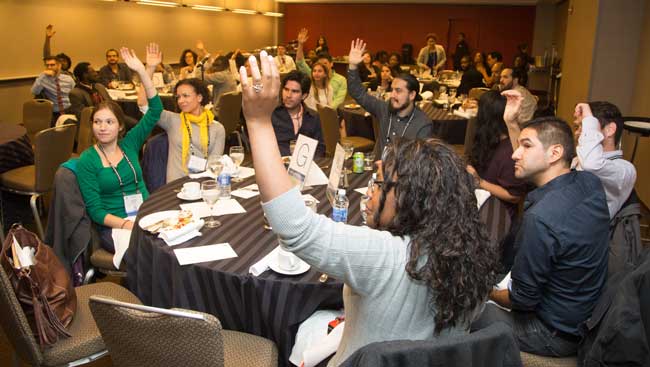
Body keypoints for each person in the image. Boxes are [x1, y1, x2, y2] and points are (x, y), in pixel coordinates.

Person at [238, 50, 498, 366]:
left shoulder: (386, 256)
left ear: (409, 199)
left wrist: (257, 120)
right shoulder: (469, 254)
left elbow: (294, 226)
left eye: (380, 183)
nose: (370, 192)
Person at [472, 90, 610, 358]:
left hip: (553, 332)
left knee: (468, 305)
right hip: (584, 313)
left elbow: (521, 300)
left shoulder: (543, 218)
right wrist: (513, 123)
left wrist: (485, 290)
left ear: (555, 153)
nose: (514, 154)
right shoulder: (589, 183)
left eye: (526, 146)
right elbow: (529, 171)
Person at [77, 44, 163, 253]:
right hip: (115, 226)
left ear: (120, 125)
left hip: (147, 216)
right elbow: (96, 212)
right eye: (97, 122)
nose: (103, 127)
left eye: (109, 122)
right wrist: (128, 225)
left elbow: (155, 110)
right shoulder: (88, 160)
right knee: (155, 253)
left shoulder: (129, 144)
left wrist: (144, 71)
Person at [348, 39, 433, 158]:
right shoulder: (384, 108)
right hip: (377, 169)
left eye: (398, 91)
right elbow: (358, 92)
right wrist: (352, 66)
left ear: (412, 95)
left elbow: (420, 163)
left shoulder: (422, 124)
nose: (392, 95)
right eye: (392, 90)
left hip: (403, 174)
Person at [466, 90, 525, 218]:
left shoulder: (510, 150)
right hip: (481, 202)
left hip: (498, 216)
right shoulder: (488, 139)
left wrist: (479, 181)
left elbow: (513, 196)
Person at [573, 102, 637, 218]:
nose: (577, 132)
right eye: (577, 127)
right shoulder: (576, 160)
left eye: (585, 125)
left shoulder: (625, 169)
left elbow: (592, 164)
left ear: (610, 130)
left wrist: (589, 118)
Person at [271, 70, 325, 157]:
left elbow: (320, 147)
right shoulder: (272, 114)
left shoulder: (313, 117)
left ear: (304, 96)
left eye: (295, 91)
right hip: (275, 165)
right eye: (286, 89)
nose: (288, 95)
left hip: (305, 166)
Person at [296, 28, 347, 108]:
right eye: (320, 64)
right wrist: (300, 44)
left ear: (331, 64)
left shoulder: (341, 79)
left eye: (325, 63)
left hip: (332, 113)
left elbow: (339, 101)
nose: (322, 66)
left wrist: (325, 112)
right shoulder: (314, 74)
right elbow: (300, 62)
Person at [31, 56, 75, 124]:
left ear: (59, 65)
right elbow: (34, 91)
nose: (49, 67)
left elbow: (75, 94)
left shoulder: (68, 79)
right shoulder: (44, 79)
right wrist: (43, 75)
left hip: (70, 110)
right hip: (55, 113)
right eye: (47, 65)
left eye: (52, 65)